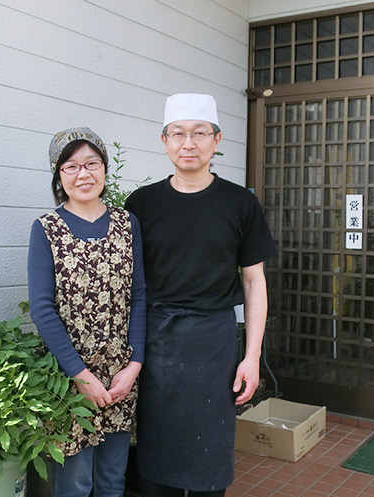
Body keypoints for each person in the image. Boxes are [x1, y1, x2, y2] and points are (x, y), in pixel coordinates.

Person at [125, 94, 276, 497]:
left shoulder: (240, 202)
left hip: (215, 341)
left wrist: (252, 355)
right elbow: (129, 284)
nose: (188, 143)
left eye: (198, 134)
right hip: (157, 343)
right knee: (156, 459)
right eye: (178, 134)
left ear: (216, 140)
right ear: (164, 140)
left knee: (211, 456)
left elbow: (254, 282)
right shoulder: (141, 203)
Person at [27, 127, 146, 497]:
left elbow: (139, 296)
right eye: (71, 166)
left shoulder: (127, 224)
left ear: (104, 170)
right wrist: (79, 375)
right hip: (68, 378)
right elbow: (42, 309)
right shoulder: (46, 229)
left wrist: (134, 366)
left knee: (113, 481)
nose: (83, 174)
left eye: (92, 163)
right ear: (58, 176)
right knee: (75, 485)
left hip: (119, 378)